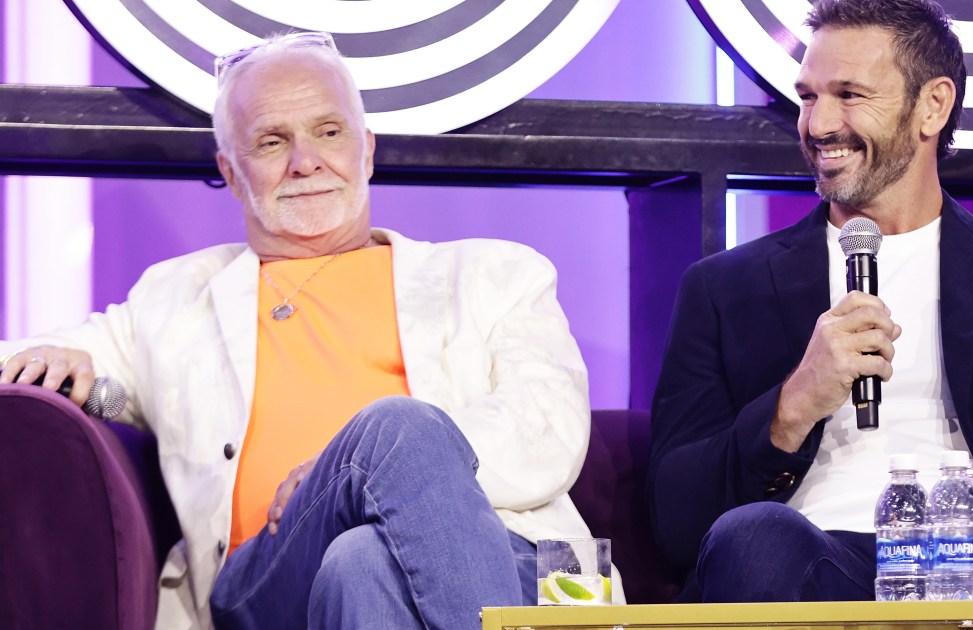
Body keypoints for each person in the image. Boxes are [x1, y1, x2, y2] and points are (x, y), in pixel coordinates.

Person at [0, 32, 607, 629]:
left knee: (362, 559)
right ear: (232, 173)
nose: (305, 160)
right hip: (265, 578)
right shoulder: (173, 298)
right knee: (397, 431)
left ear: (366, 150)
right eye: (271, 140)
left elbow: (547, 428)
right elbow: (16, 358)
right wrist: (49, 357)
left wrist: (358, 471)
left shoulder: (495, 274)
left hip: (518, 557)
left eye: (329, 131)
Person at [648, 0, 973, 602]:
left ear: (932, 106)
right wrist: (792, 406)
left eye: (850, 95)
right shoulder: (725, 288)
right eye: (809, 97)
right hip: (816, 557)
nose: (818, 125)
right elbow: (676, 523)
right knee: (756, 539)